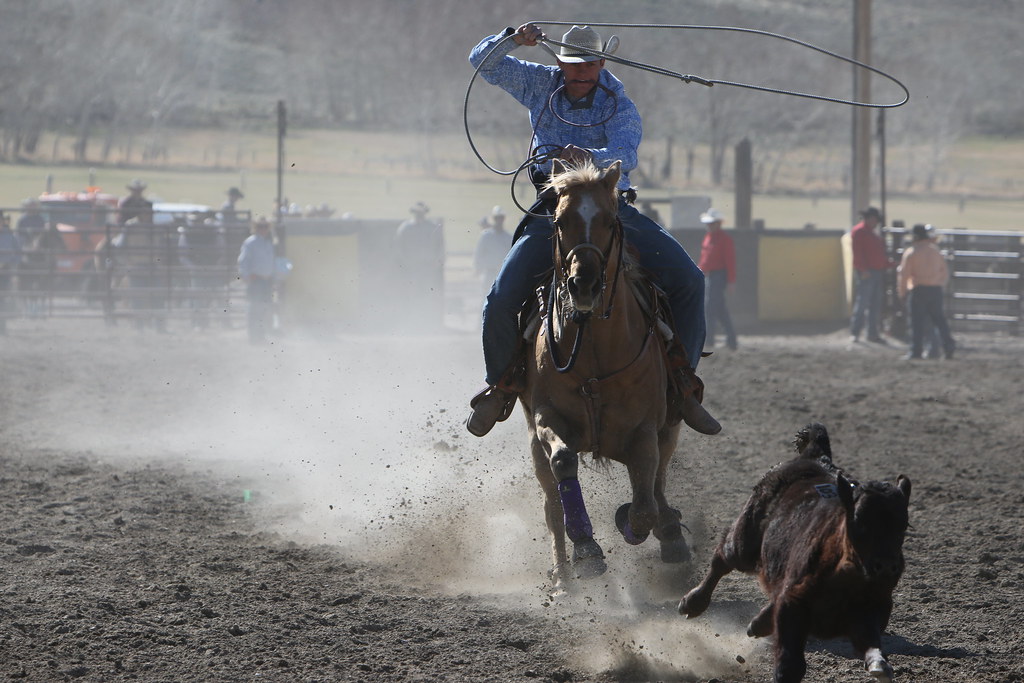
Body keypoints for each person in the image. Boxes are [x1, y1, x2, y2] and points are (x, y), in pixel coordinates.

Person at [466, 23, 718, 437]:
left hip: (609, 209)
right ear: (560, 63)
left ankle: (682, 385)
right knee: (500, 298)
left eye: (588, 65)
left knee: (690, 280)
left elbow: (625, 153)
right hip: (555, 209)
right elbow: (482, 62)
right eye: (572, 65)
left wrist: (588, 156)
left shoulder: (618, 102)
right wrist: (513, 39)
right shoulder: (538, 84)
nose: (580, 73)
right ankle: (502, 383)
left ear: (602, 63)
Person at [898, 223, 956, 360]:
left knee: (917, 322)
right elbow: (944, 271)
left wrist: (902, 292)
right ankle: (949, 347)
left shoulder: (911, 252)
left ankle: (916, 350)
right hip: (935, 289)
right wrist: (940, 284)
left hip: (918, 289)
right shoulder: (935, 251)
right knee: (939, 320)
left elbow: (904, 275)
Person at [395, 201, 445, 328]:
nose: (418, 215)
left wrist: (437, 262)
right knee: (412, 294)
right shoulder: (405, 228)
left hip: (428, 267)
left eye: (420, 212)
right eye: (416, 212)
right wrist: (405, 263)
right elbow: (399, 248)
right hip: (412, 267)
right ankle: (413, 321)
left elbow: (441, 247)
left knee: (427, 293)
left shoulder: (432, 227)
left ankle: (427, 321)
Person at [849, 206, 893, 344]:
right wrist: (863, 270)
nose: (875, 222)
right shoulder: (861, 232)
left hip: (875, 271)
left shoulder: (869, 233)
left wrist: (888, 264)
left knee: (873, 304)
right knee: (864, 303)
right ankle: (857, 332)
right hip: (868, 272)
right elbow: (858, 254)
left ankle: (870, 333)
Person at [697, 208, 738, 350]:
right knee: (720, 309)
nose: (710, 225)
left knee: (710, 307)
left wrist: (731, 281)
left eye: (712, 223)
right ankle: (731, 340)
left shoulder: (725, 240)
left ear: (718, 223)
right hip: (710, 276)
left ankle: (709, 340)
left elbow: (730, 261)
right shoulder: (708, 238)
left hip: (719, 276)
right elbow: (704, 259)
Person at [178, 214, 227, 330]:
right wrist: (193, 267)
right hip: (198, 270)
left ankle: (223, 321)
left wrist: (216, 265)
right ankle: (199, 322)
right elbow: (183, 255)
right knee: (198, 296)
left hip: (211, 268)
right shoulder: (187, 235)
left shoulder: (212, 233)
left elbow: (222, 250)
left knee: (217, 294)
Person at [237, 216, 276, 344]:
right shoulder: (250, 242)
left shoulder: (267, 242)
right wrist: (247, 276)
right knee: (255, 309)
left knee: (263, 309)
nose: (263, 229)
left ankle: (260, 335)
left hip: (265, 280)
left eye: (265, 227)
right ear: (256, 228)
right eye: (261, 227)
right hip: (256, 280)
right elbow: (243, 261)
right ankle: (254, 337)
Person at [473, 205, 512, 297]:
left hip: (503, 273)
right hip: (488, 272)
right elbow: (479, 253)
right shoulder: (486, 235)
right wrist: (477, 267)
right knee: (486, 295)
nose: (499, 220)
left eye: (501, 218)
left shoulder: (508, 237)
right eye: (497, 218)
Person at [0, 212, 22, 335]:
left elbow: (17, 252)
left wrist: (13, 266)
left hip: (5, 271)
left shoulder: (9, 235)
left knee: (2, 298)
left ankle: (2, 326)